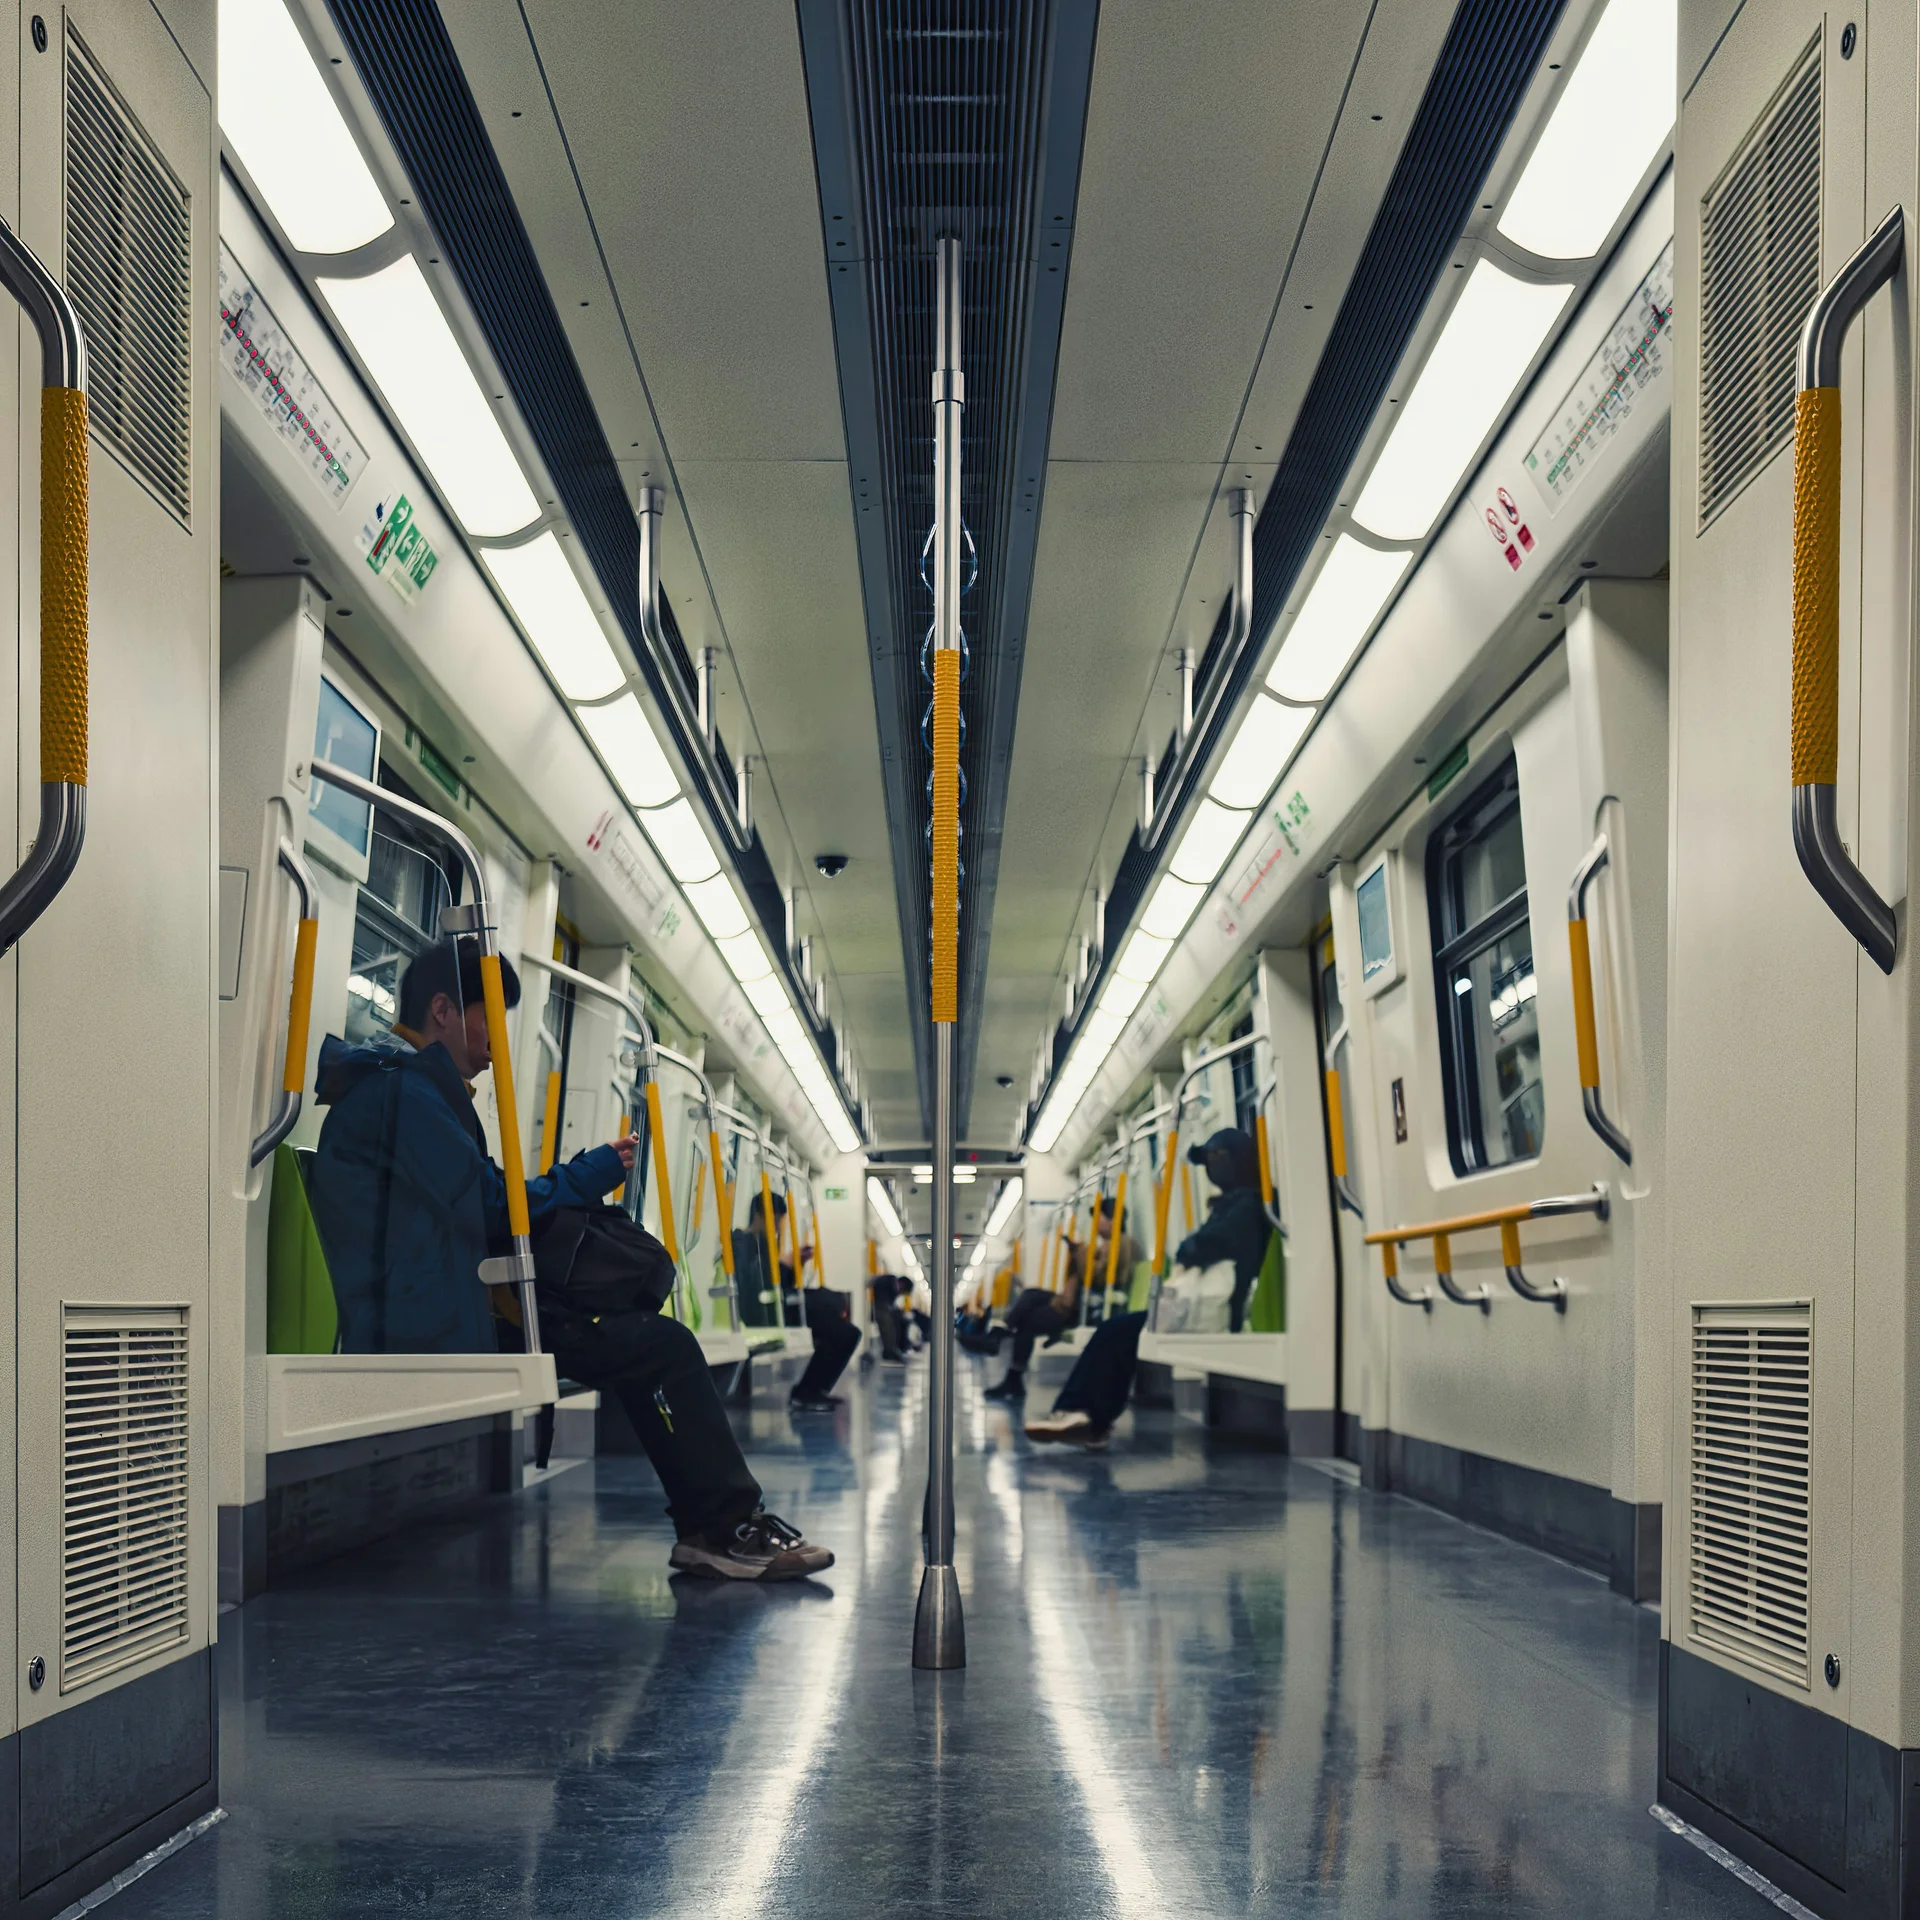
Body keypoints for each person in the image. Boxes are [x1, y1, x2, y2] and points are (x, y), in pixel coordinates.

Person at [306, 937, 832, 1582]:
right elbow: (493, 1208)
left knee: (646, 1340)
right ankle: (722, 1528)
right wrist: (589, 1173)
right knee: (658, 1345)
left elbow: (474, 1203)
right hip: (426, 1319)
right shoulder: (400, 1095)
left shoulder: (408, 1091)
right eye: (489, 1020)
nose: (497, 1040)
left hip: (444, 1299)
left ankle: (711, 1527)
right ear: (443, 1009)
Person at [1024, 1127, 1272, 1450]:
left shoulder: (1250, 1204)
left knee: (1114, 1332)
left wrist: (1191, 1247)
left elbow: (1204, 1246)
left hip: (1222, 1309)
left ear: (1234, 1161)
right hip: (1201, 1306)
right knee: (1118, 1333)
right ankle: (1088, 1419)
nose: (1210, 1169)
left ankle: (1082, 1414)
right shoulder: (1232, 1205)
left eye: (1214, 1159)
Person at [732, 1191, 861, 1412]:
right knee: (836, 1323)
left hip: (776, 1304)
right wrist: (785, 1264)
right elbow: (755, 1287)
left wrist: (793, 1264)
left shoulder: (767, 1244)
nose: (776, 1228)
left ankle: (813, 1391)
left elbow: (778, 1283)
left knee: (845, 1328)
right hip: (763, 1310)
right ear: (758, 1216)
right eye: (774, 1220)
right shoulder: (741, 1242)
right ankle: (806, 1393)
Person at [983, 1200, 1111, 1401]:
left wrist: (1079, 1252)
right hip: (1071, 1302)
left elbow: (1099, 1278)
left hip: (1078, 1308)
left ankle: (1002, 1345)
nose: (1096, 1224)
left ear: (1113, 1220)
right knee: (1031, 1294)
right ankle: (1001, 1337)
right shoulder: (1102, 1246)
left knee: (1027, 1321)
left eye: (1100, 1219)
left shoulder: (1120, 1245)